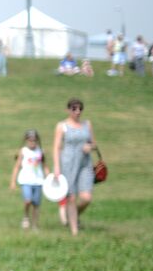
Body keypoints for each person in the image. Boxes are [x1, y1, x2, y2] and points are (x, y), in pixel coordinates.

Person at [53, 98, 97, 236]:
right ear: (68, 110)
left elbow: (94, 144)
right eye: (74, 108)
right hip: (68, 164)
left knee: (86, 198)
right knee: (71, 197)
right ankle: (74, 231)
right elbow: (56, 147)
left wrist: (89, 146)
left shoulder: (87, 124)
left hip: (84, 164)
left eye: (80, 108)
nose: (77, 111)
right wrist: (56, 167)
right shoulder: (62, 126)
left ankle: (73, 215)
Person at [10, 129, 47, 229]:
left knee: (36, 204)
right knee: (28, 200)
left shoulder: (40, 151)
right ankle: (26, 216)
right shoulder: (23, 151)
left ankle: (35, 225)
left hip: (38, 181)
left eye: (34, 140)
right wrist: (13, 181)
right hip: (26, 180)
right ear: (26, 141)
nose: (32, 142)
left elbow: (44, 166)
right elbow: (17, 166)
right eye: (30, 140)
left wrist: (49, 177)